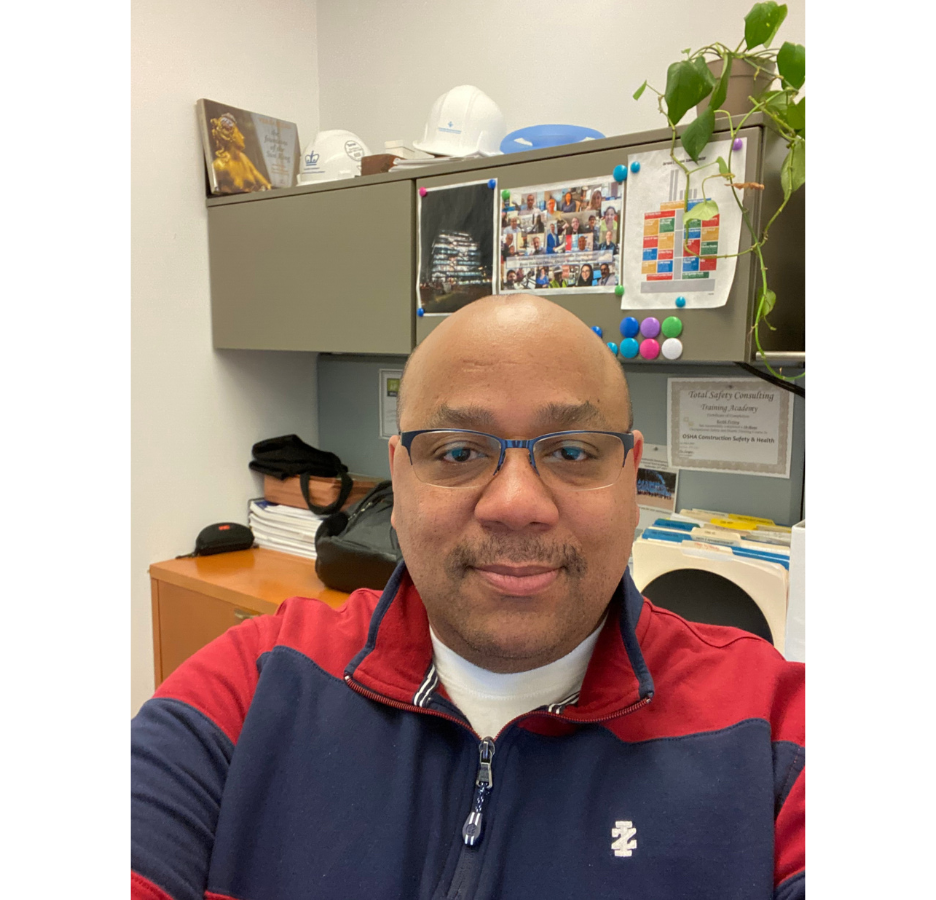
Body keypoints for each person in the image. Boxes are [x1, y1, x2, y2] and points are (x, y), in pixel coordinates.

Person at [130, 296, 806, 900]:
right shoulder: (254, 686)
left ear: (633, 481)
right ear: (397, 480)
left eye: (572, 451)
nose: (516, 504)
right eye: (458, 454)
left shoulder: (773, 734)